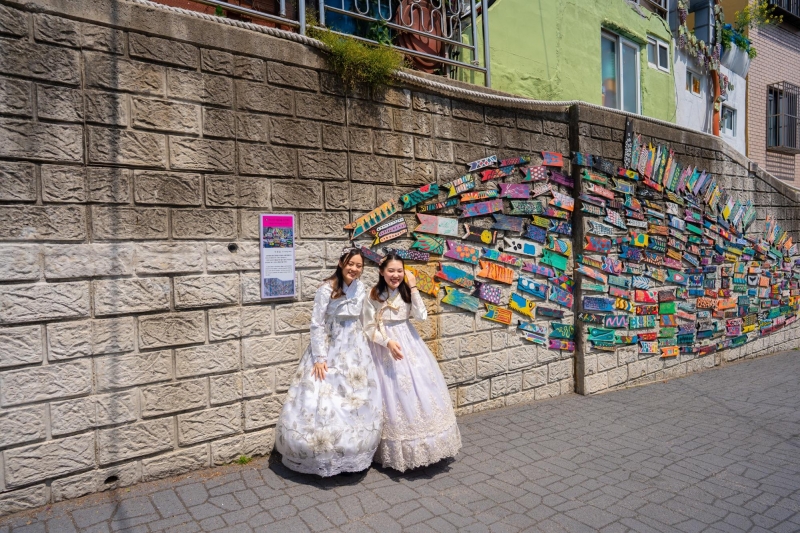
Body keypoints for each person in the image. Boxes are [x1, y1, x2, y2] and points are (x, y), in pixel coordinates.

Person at [275, 248, 382, 476]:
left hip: (355, 347)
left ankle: (353, 450)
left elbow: (363, 318)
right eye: (350, 264)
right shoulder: (326, 289)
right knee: (325, 396)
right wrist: (320, 357)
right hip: (331, 345)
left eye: (359, 265)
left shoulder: (361, 287)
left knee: (354, 397)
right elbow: (316, 324)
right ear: (341, 263)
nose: (354, 269)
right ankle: (321, 453)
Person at [363, 252, 462, 472]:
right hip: (382, 346)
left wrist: (414, 287)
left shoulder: (407, 291)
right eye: (391, 270)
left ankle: (423, 446)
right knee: (388, 392)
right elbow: (368, 327)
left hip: (409, 342)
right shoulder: (373, 294)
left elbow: (422, 316)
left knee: (414, 389)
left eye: (400, 270)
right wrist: (387, 342)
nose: (395, 275)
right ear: (382, 272)